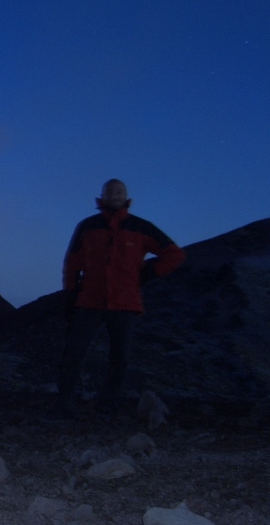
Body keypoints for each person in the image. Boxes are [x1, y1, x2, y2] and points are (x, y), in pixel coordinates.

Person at [56, 179, 185, 419]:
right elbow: (72, 263)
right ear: (102, 196)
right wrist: (72, 294)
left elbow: (174, 254)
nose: (115, 195)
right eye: (110, 191)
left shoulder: (140, 227)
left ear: (125, 196)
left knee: (120, 357)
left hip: (124, 302)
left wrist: (148, 273)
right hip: (90, 300)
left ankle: (108, 404)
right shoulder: (88, 226)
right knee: (73, 352)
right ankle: (64, 404)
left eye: (119, 191)